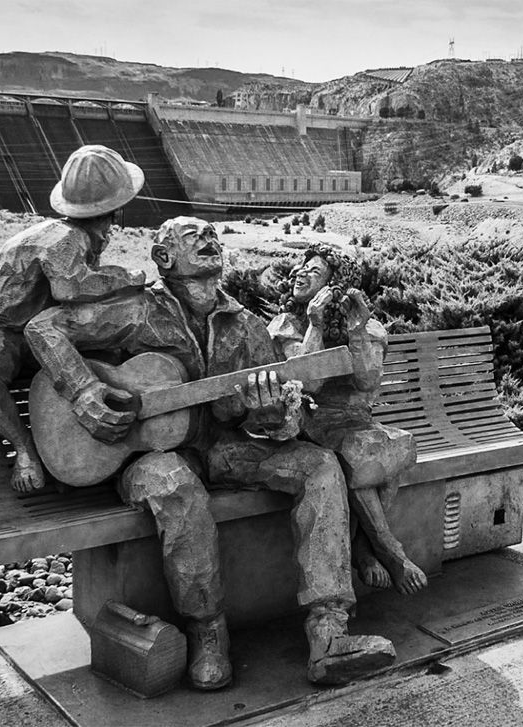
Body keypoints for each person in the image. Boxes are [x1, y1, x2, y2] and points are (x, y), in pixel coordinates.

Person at [24, 217, 396, 689]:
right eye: (192, 236)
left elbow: (286, 415)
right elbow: (44, 329)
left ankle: (328, 635)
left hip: (223, 449)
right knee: (174, 484)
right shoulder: (137, 311)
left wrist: (274, 417)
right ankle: (207, 632)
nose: (208, 240)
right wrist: (82, 392)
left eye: (211, 235)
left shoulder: (248, 327)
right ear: (163, 258)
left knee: (319, 465)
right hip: (146, 457)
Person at [0, 145, 146, 493]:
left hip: (39, 331)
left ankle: (87, 462)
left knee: (107, 353)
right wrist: (127, 277)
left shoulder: (80, 237)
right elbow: (71, 287)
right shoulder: (64, 238)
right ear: (113, 211)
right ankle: (25, 450)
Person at [268, 245, 426, 595]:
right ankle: (389, 552)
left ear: (335, 286)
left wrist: (355, 332)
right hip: (311, 420)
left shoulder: (368, 326)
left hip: (356, 421)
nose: (299, 272)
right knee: (359, 454)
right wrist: (315, 325)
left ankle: (366, 550)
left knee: (387, 453)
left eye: (314, 270)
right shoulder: (286, 325)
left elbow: (367, 383)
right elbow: (305, 383)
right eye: (300, 267)